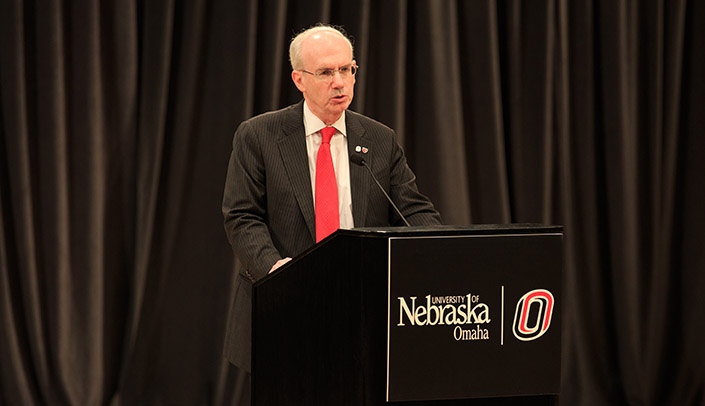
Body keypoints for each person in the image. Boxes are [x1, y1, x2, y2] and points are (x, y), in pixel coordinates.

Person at [222, 24, 442, 373]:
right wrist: (278, 273)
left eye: (346, 69)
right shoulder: (259, 135)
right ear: (299, 80)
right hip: (284, 308)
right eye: (326, 72)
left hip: (361, 309)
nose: (339, 82)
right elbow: (242, 215)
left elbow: (411, 209)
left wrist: (441, 249)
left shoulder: (379, 139)